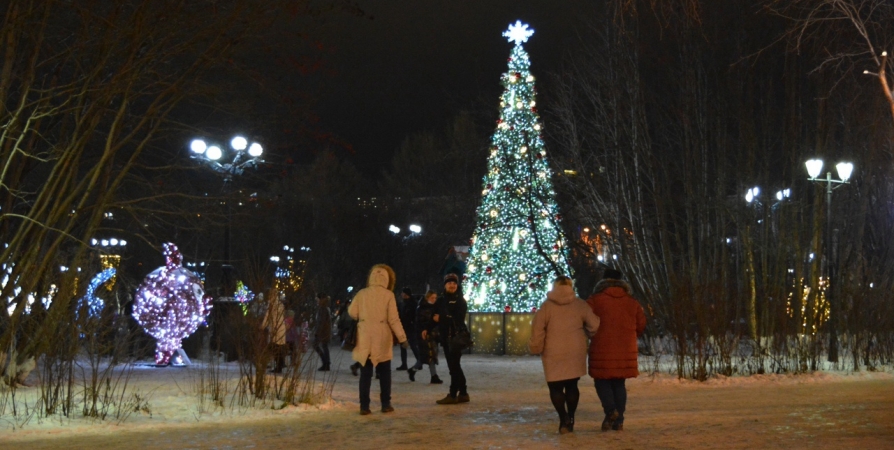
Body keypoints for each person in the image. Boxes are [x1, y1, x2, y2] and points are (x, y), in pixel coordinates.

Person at [529, 276, 600, 434]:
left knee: (555, 387)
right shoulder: (580, 305)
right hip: (575, 351)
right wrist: (586, 334)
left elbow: (537, 329)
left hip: (553, 351)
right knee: (572, 386)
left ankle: (563, 418)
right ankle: (572, 417)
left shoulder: (546, 307)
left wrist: (536, 346)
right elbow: (594, 325)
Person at [586, 268, 646, 432]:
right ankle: (618, 421)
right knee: (619, 383)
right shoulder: (632, 302)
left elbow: (586, 320)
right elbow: (641, 324)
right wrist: (629, 335)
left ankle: (611, 411)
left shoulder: (595, 300)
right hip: (625, 348)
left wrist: (592, 334)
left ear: (603, 281)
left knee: (602, 381)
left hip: (601, 347)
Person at [348, 264, 408, 415]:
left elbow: (352, 312)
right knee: (385, 373)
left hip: (365, 337)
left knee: (365, 374)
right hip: (382, 337)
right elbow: (394, 319)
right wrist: (402, 338)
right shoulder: (388, 295)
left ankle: (364, 406)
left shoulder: (362, 294)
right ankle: (385, 403)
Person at [434, 272, 469, 405]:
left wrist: (442, 318)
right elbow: (434, 315)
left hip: (455, 338)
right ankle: (464, 393)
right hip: (445, 338)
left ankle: (453, 394)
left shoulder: (460, 300)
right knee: (455, 366)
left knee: (454, 367)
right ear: (445, 285)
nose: (452, 285)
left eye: (454, 283)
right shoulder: (441, 300)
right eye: (449, 283)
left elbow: (458, 319)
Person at [409, 290, 443, 384]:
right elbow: (421, 322)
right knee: (430, 355)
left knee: (426, 356)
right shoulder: (422, 308)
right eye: (432, 298)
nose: (434, 300)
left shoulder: (435, 307)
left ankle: (413, 369)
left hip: (433, 334)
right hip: (425, 335)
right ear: (427, 298)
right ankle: (434, 376)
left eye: (435, 298)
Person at [261, 293, 287, 373]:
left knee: (274, 349)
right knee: (280, 348)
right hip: (281, 328)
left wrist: (262, 326)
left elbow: (267, 317)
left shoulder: (271, 305)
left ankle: (278, 366)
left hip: (275, 329)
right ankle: (281, 364)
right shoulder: (280, 304)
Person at [396, 287, 419, 371]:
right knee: (403, 346)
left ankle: (419, 361)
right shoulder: (405, 303)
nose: (401, 295)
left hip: (410, 328)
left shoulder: (412, 304)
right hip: (405, 327)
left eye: (403, 293)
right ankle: (404, 364)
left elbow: (412, 316)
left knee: (413, 345)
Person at [313, 293, 332, 371]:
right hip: (325, 331)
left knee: (317, 345)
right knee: (324, 346)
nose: (316, 301)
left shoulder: (323, 308)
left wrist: (317, 332)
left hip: (323, 332)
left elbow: (321, 322)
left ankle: (326, 362)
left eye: (317, 299)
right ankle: (326, 362)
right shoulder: (324, 307)